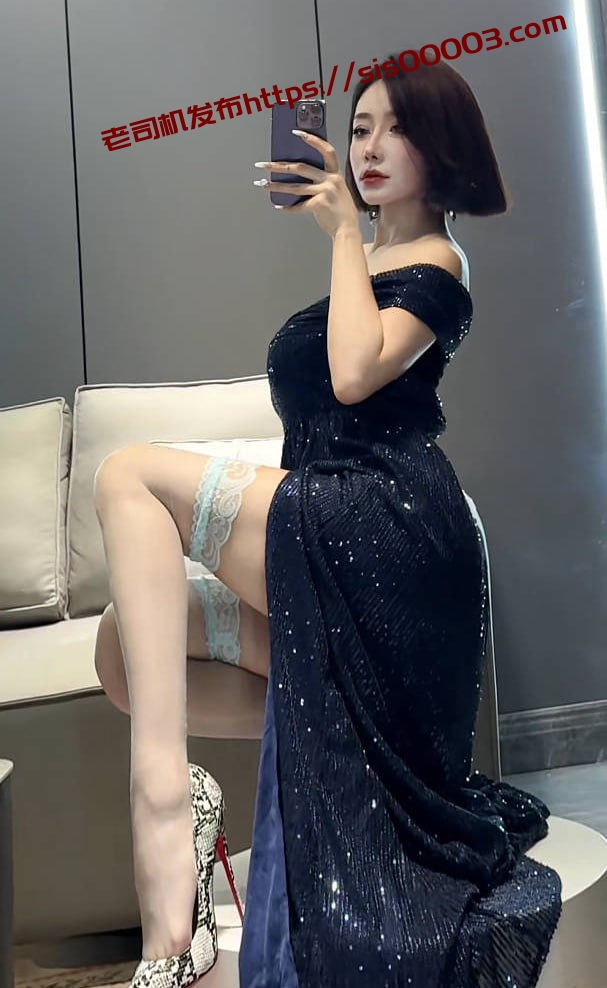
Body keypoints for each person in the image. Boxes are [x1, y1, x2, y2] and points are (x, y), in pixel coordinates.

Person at [94, 50, 562, 988]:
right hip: (328, 520)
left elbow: (353, 374)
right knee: (120, 653)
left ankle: (161, 824)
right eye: (359, 129)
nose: (371, 147)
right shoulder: (369, 259)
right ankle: (265, 779)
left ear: (441, 147)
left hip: (389, 529)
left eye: (397, 128)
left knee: (127, 474)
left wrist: (345, 231)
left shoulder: (439, 264)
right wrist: (351, 241)